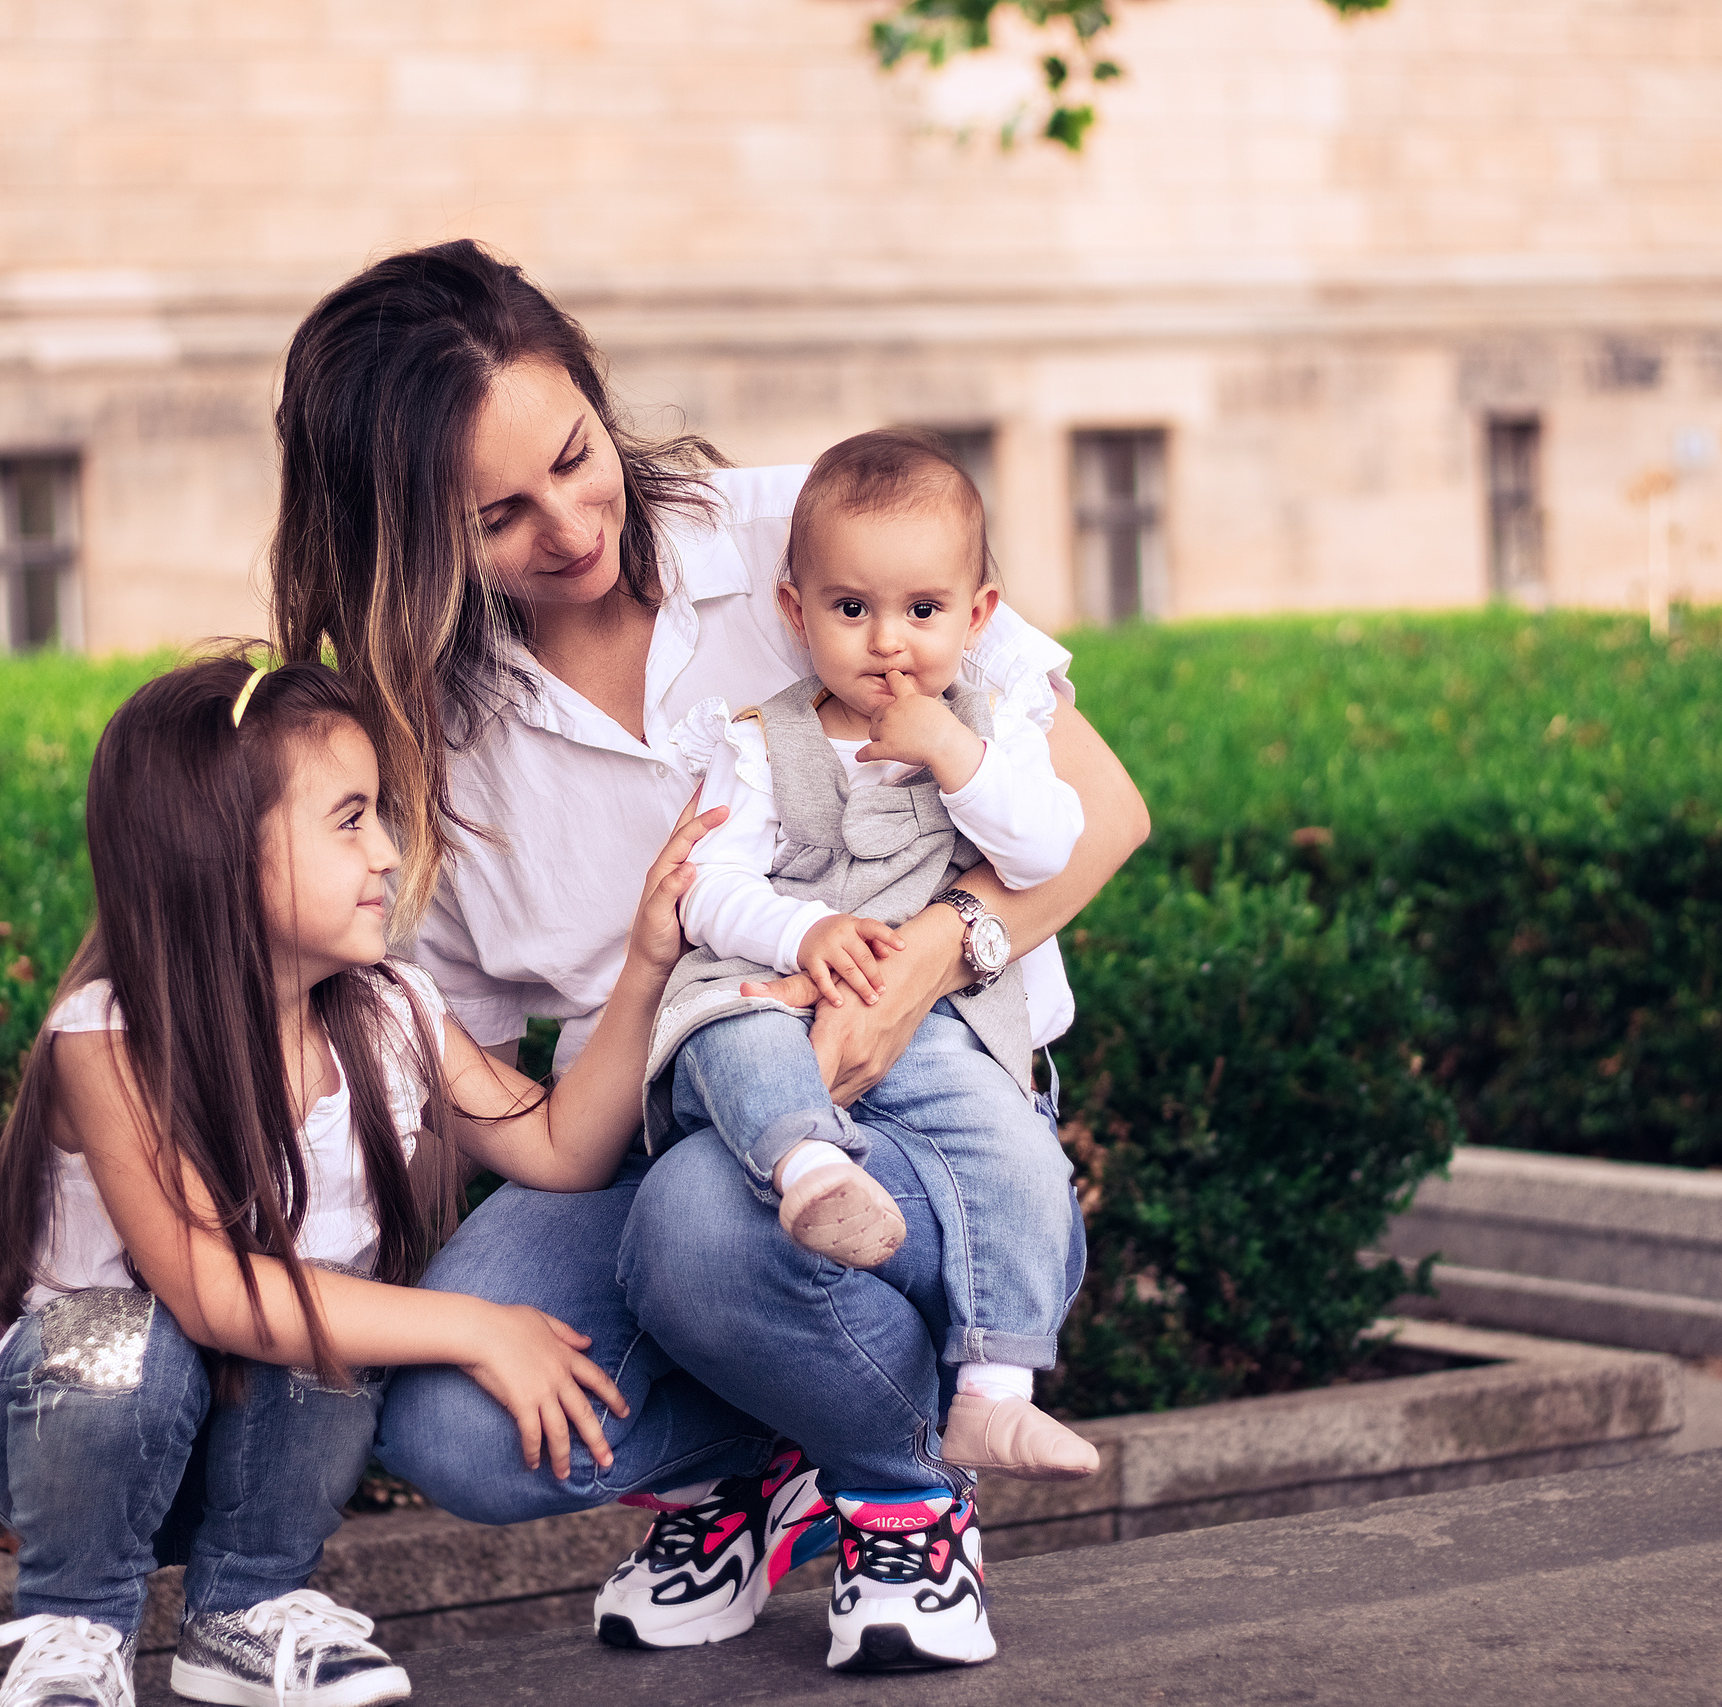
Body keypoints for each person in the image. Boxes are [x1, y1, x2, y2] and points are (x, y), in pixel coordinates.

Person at [270, 239, 1149, 1673]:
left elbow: (1104, 815)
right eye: (498, 515)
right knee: (454, 1414)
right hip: (678, 1119)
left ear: (596, 398)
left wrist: (934, 952)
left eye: (573, 456)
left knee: (699, 1223)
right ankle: (767, 1454)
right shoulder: (427, 738)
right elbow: (494, 1081)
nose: (568, 525)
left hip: (933, 1106)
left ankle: (906, 1493)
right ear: (408, 540)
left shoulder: (806, 544)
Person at [0, 652, 716, 1707]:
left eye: (380, 817)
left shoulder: (390, 1013)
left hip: (248, 1432)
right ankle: (77, 1630)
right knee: (134, 1330)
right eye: (348, 820)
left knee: (327, 1322)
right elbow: (211, 1291)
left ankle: (247, 1610)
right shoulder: (110, 1039)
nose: (388, 854)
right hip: (78, 1434)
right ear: (215, 849)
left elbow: (562, 1147)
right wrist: (480, 1326)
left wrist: (648, 962)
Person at [648, 427, 1100, 1483]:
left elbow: (1045, 851)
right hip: (781, 992)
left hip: (933, 1019)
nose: (887, 641)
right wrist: (799, 932)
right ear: (795, 611)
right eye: (851, 609)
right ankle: (807, 1168)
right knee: (731, 1028)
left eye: (923, 611)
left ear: (977, 616)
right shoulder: (761, 740)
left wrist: (955, 754)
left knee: (1017, 1150)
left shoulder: (993, 731)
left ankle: (993, 1389)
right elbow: (710, 889)